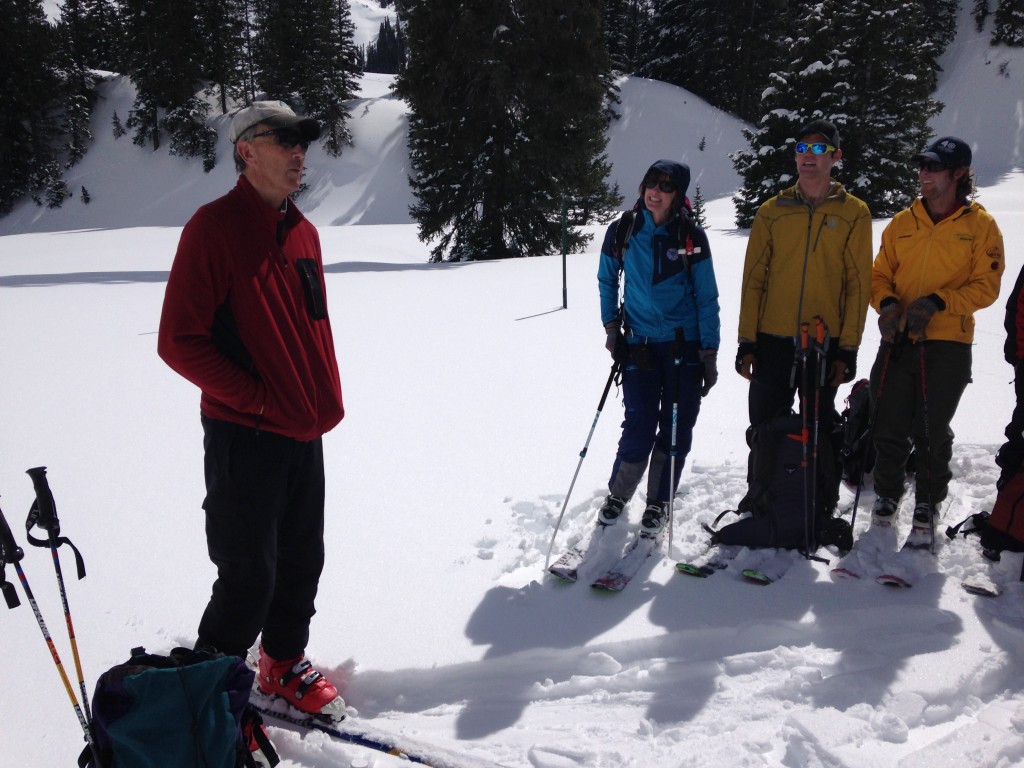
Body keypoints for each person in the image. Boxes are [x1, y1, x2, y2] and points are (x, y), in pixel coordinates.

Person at [157, 100, 347, 738]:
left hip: (303, 431)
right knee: (248, 571)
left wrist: (315, 403)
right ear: (246, 150)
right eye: (284, 141)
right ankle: (211, 691)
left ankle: (282, 666)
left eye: (303, 142)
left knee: (302, 560)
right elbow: (180, 340)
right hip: (246, 432)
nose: (299, 153)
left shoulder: (304, 232)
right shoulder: (212, 228)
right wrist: (258, 399)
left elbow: (310, 328)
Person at [868, 136, 1005, 546]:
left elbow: (987, 287)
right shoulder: (902, 222)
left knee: (930, 428)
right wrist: (888, 305)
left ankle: (928, 501)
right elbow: (879, 275)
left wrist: (939, 301)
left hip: (946, 344)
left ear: (958, 173)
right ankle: (888, 496)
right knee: (887, 424)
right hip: (898, 341)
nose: (924, 174)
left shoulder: (980, 226)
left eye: (933, 167)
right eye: (922, 166)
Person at [596, 160, 721, 537]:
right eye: (651, 182)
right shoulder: (624, 229)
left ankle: (658, 502)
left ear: (678, 194)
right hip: (639, 345)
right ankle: (619, 495)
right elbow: (606, 279)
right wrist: (611, 326)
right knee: (638, 422)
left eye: (665, 187)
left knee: (675, 426)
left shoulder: (690, 235)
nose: (655, 191)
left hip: (684, 348)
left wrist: (710, 351)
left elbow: (707, 296)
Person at [736, 119, 873, 433]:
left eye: (818, 147)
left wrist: (848, 349)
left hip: (824, 341)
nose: (808, 154)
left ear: (835, 156)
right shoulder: (772, 211)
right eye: (802, 148)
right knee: (764, 431)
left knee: (821, 435)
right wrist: (747, 342)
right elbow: (753, 281)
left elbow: (858, 286)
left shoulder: (854, 213)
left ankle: (822, 484)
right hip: (773, 342)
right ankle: (761, 485)